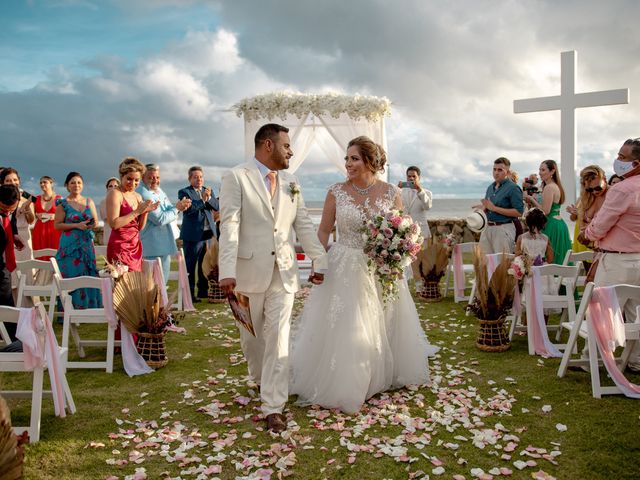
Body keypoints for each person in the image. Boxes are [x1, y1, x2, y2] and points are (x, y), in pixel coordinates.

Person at [290, 136, 434, 415]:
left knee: (383, 319)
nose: (348, 164)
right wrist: (318, 262)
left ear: (370, 161)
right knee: (347, 322)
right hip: (344, 263)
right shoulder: (336, 191)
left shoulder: (391, 192)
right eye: (347, 158)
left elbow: (402, 228)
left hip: (379, 266)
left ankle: (380, 373)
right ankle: (348, 379)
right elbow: (323, 230)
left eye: (354, 158)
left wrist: (398, 252)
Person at [218, 123, 328, 433]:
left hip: (284, 272)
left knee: (278, 337)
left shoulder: (292, 181)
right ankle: (259, 379)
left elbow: (303, 224)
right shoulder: (235, 177)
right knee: (253, 341)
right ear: (268, 145)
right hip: (246, 273)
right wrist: (227, 270)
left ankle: (273, 407)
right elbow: (230, 226)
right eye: (287, 145)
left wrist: (319, 258)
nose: (291, 151)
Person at [580, 137, 640, 372]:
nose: (617, 161)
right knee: (635, 313)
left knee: (600, 309)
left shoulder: (622, 189)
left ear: (636, 163)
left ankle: (591, 358)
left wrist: (588, 234)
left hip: (616, 260)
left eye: (622, 157)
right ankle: (635, 360)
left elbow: (602, 223)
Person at [53, 172, 101, 309]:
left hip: (86, 243)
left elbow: (96, 222)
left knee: (88, 273)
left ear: (83, 185)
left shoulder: (89, 201)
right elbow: (57, 225)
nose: (76, 185)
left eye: (79, 182)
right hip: (69, 246)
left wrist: (92, 224)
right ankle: (71, 308)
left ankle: (89, 307)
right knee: (71, 274)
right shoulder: (63, 204)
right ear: (67, 185)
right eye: (73, 182)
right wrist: (76, 225)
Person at [139, 164, 191, 282]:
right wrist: (177, 208)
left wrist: (179, 206)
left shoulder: (158, 190)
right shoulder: (143, 193)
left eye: (157, 177)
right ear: (143, 177)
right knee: (153, 289)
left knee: (161, 287)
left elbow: (168, 209)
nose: (155, 180)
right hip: (151, 248)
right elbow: (160, 219)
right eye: (151, 177)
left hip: (162, 247)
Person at [106, 158, 158, 272]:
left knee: (135, 286)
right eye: (129, 179)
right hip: (119, 247)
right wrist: (137, 212)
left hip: (135, 246)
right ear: (121, 177)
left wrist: (145, 212)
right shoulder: (115, 194)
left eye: (136, 180)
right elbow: (114, 224)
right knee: (122, 286)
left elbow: (139, 227)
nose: (133, 183)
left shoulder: (138, 196)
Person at [179, 166, 219, 302]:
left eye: (201, 177)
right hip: (193, 236)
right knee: (191, 266)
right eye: (195, 177)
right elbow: (189, 210)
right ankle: (189, 295)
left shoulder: (208, 191)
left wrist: (207, 199)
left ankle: (203, 291)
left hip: (207, 235)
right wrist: (202, 200)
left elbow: (216, 206)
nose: (199, 179)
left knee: (205, 264)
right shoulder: (184, 192)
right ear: (190, 179)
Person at [524, 160, 571, 265]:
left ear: (552, 171)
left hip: (550, 225)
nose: (540, 172)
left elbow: (545, 211)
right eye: (540, 170)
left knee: (548, 258)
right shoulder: (556, 186)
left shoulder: (549, 187)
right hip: (559, 223)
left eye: (543, 170)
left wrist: (531, 199)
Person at [474, 157, 524, 254]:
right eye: (494, 169)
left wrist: (494, 208)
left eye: (500, 170)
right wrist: (483, 209)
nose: (496, 172)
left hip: (503, 229)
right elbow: (489, 207)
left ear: (507, 172)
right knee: (484, 263)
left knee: (502, 265)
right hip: (487, 228)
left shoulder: (513, 188)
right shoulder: (490, 187)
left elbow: (519, 212)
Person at [1, 168, 35, 296]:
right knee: (11, 275)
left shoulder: (26, 195)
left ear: (19, 181)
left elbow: (32, 220)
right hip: (6, 235)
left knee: (26, 273)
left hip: (24, 235)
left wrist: (26, 208)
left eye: (15, 180)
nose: (12, 182)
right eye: (8, 180)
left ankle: (29, 308)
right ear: (3, 182)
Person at [398, 165, 432, 290]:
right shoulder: (400, 192)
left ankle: (422, 286)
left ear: (419, 177)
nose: (411, 179)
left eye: (414, 176)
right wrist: (397, 188)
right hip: (405, 230)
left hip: (422, 231)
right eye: (409, 176)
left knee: (422, 260)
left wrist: (419, 190)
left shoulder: (426, 193)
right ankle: (406, 286)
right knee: (405, 260)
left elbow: (427, 206)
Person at [566, 165, 608, 254]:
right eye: (590, 189)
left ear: (604, 179)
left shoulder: (612, 195)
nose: (595, 192)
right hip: (588, 244)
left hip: (607, 248)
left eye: (598, 188)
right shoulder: (586, 198)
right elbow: (575, 220)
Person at [0, 184, 19, 343]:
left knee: (7, 305)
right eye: (4, 209)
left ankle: (13, 341)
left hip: (3, 267)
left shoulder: (6, 216)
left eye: (10, 210)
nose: (7, 213)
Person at [32, 176, 62, 260]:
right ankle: (40, 273)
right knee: (40, 255)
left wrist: (55, 216)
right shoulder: (36, 199)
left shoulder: (59, 199)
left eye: (45, 182)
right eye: (40, 182)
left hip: (55, 230)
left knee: (55, 254)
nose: (42, 184)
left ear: (51, 184)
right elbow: (31, 215)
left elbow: (65, 216)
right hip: (39, 231)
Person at [99, 177, 120, 246]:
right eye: (110, 186)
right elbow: (109, 218)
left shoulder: (123, 201)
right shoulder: (103, 202)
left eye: (115, 186)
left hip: (122, 235)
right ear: (107, 188)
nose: (113, 187)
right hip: (109, 234)